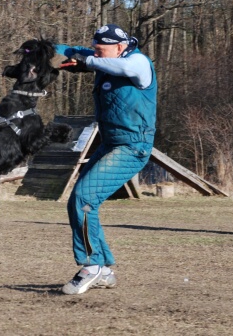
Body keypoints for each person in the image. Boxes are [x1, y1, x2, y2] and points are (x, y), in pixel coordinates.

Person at [55, 24, 157, 295]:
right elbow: (70, 52)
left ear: (120, 47)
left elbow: (124, 69)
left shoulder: (138, 62)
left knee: (84, 200)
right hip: (111, 145)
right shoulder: (105, 59)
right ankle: (104, 269)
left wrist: (89, 61)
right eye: (96, 49)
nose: (97, 55)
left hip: (133, 147)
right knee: (80, 200)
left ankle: (91, 265)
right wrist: (38, 49)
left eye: (102, 51)